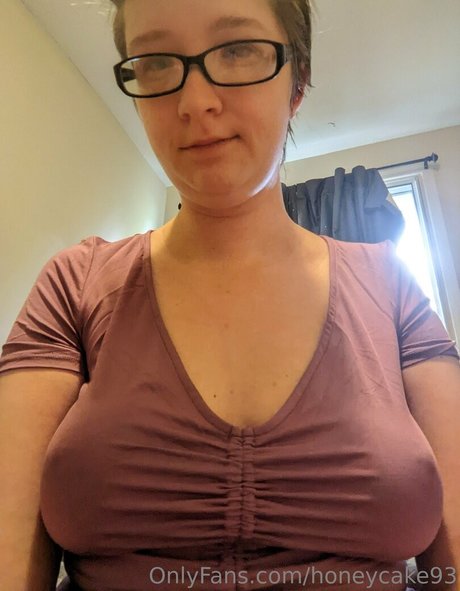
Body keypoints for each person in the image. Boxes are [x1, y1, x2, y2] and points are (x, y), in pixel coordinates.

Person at [1, 0, 459, 590]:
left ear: (297, 83)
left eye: (237, 49)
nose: (195, 102)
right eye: (156, 61)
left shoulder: (392, 289)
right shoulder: (75, 283)